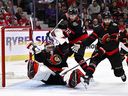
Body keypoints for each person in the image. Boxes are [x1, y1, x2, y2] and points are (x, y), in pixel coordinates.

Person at [72, 14, 127, 84]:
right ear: (103, 20)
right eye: (105, 20)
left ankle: (121, 74)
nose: (107, 21)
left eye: (108, 20)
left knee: (118, 72)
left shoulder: (114, 27)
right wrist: (81, 44)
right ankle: (87, 76)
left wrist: (103, 49)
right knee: (93, 60)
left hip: (113, 52)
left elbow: (113, 43)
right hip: (100, 49)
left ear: (111, 20)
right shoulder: (98, 28)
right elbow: (91, 38)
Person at [58, 6, 89, 74]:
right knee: (64, 53)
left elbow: (70, 34)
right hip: (73, 42)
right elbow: (64, 15)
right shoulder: (70, 18)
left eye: (73, 15)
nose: (71, 17)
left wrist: (62, 31)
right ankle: (61, 68)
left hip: (81, 42)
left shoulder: (77, 23)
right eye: (70, 15)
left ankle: (88, 73)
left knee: (78, 57)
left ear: (77, 15)